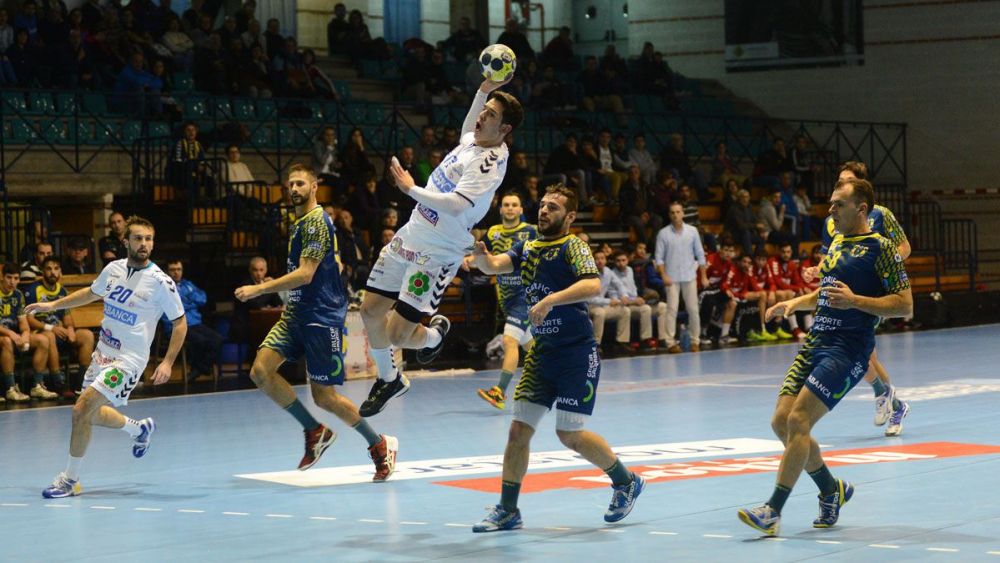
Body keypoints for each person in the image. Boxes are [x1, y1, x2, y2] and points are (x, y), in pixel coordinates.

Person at [737, 177, 912, 536]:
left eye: (838, 204)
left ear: (861, 209)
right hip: (816, 342)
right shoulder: (837, 244)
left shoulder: (881, 248)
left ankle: (772, 510)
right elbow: (826, 293)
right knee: (780, 422)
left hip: (849, 348)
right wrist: (795, 303)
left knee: (799, 420)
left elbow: (905, 304)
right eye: (831, 203)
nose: (830, 210)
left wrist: (856, 301)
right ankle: (831, 489)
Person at [469, 185, 645, 532]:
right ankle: (508, 510)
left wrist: (550, 300)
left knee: (569, 434)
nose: (544, 210)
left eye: (553, 207)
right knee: (518, 430)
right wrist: (480, 256)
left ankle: (626, 481)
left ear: (570, 216)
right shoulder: (527, 246)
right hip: (543, 354)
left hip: (577, 353)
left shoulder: (573, 245)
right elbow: (493, 266)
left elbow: (592, 285)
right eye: (543, 205)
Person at [358, 74, 522, 417]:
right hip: (411, 234)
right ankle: (389, 379)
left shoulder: (490, 164)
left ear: (505, 129)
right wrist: (483, 90)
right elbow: (467, 127)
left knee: (397, 334)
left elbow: (457, 204)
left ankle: (434, 336)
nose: (482, 116)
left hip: (437, 253)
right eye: (485, 111)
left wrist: (410, 189)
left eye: (490, 115)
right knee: (370, 310)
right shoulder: (473, 141)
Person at [235, 163, 399, 479]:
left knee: (324, 397)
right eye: (290, 184)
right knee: (260, 372)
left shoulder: (315, 222)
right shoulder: (300, 223)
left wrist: (259, 288)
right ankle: (314, 431)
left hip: (321, 317)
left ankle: (379, 444)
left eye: (300, 183)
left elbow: (306, 274)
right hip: (296, 313)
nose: (294, 189)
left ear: (314, 187)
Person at [26, 216, 188, 498]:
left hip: (128, 361)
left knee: (80, 411)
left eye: (148, 239)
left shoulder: (161, 282)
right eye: (138, 238)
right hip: (103, 353)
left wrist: (167, 362)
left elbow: (180, 323)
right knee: (90, 414)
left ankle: (70, 480)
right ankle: (138, 430)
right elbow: (91, 293)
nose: (144, 244)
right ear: (126, 241)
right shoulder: (113, 269)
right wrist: (52, 305)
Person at [805, 161, 912, 436]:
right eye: (839, 181)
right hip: (843, 294)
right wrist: (817, 270)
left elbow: (904, 247)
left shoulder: (881, 214)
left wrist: (883, 267)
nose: (841, 186)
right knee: (864, 355)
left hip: (868, 293)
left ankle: (885, 395)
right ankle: (893, 402)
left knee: (860, 352)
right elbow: (831, 257)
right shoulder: (832, 221)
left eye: (848, 181)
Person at [473, 192, 537, 409]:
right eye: (506, 204)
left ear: (521, 210)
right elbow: (483, 257)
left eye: (514, 204)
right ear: (500, 209)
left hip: (526, 296)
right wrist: (470, 260)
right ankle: (557, 377)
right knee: (532, 347)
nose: (510, 208)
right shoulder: (493, 232)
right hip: (507, 298)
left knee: (509, 341)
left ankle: (499, 391)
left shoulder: (531, 231)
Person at [25, 257, 95, 398]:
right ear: (42, 271)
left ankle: (82, 383)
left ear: (60, 271)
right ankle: (59, 383)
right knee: (50, 336)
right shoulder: (33, 289)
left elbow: (67, 317)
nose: (53, 272)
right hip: (42, 332)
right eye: (49, 269)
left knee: (87, 335)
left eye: (56, 269)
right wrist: (51, 328)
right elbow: (29, 319)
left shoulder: (62, 291)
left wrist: (70, 329)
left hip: (60, 332)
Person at [655, 202, 708, 353]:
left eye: (678, 212)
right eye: (672, 212)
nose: (675, 215)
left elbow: (700, 254)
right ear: (669, 215)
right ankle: (670, 342)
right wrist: (663, 275)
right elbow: (659, 258)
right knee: (671, 310)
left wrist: (703, 276)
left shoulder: (692, 231)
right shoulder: (663, 234)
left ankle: (695, 341)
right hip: (671, 278)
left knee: (693, 309)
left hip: (689, 275)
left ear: (683, 213)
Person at [162, 260, 224, 383]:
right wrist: (190, 301)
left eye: (179, 269)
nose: (176, 272)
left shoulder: (188, 284)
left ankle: (199, 369)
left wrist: (186, 301)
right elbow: (175, 307)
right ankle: (200, 369)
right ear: (166, 272)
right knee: (201, 341)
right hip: (176, 325)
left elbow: (202, 299)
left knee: (218, 339)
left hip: (195, 322)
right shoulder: (162, 288)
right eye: (172, 270)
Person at [1, 262, 51, 403]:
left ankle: (37, 386)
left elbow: (23, 323)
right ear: (2, 277)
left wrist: (25, 335)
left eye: (16, 278)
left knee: (43, 340)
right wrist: (11, 334)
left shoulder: (18, 295)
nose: (12, 282)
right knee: (6, 341)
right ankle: (10, 389)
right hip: (5, 336)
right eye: (9, 277)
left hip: (13, 336)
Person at [609, 250, 658, 351]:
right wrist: (633, 301)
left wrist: (637, 299)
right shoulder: (611, 274)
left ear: (628, 260)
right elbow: (614, 297)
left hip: (632, 302)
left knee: (646, 308)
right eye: (618, 261)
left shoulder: (630, 270)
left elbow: (633, 290)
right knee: (627, 310)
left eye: (623, 260)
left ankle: (645, 340)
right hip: (619, 304)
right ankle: (622, 342)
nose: (621, 263)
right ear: (614, 262)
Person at [588, 250, 630, 356]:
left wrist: (624, 296)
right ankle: (596, 345)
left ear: (606, 260)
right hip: (588, 306)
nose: (600, 261)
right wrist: (609, 301)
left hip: (602, 305)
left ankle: (621, 342)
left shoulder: (608, 271)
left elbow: (619, 284)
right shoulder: (588, 273)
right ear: (592, 260)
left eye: (602, 258)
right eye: (597, 258)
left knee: (624, 311)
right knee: (600, 313)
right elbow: (589, 298)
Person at [231, 256, 282, 343]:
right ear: (250, 270)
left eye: (261, 270)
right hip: (244, 326)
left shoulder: (265, 284)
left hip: (261, 325)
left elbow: (278, 303)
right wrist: (268, 287)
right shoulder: (245, 285)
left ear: (266, 270)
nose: (258, 273)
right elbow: (257, 304)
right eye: (255, 270)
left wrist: (273, 286)